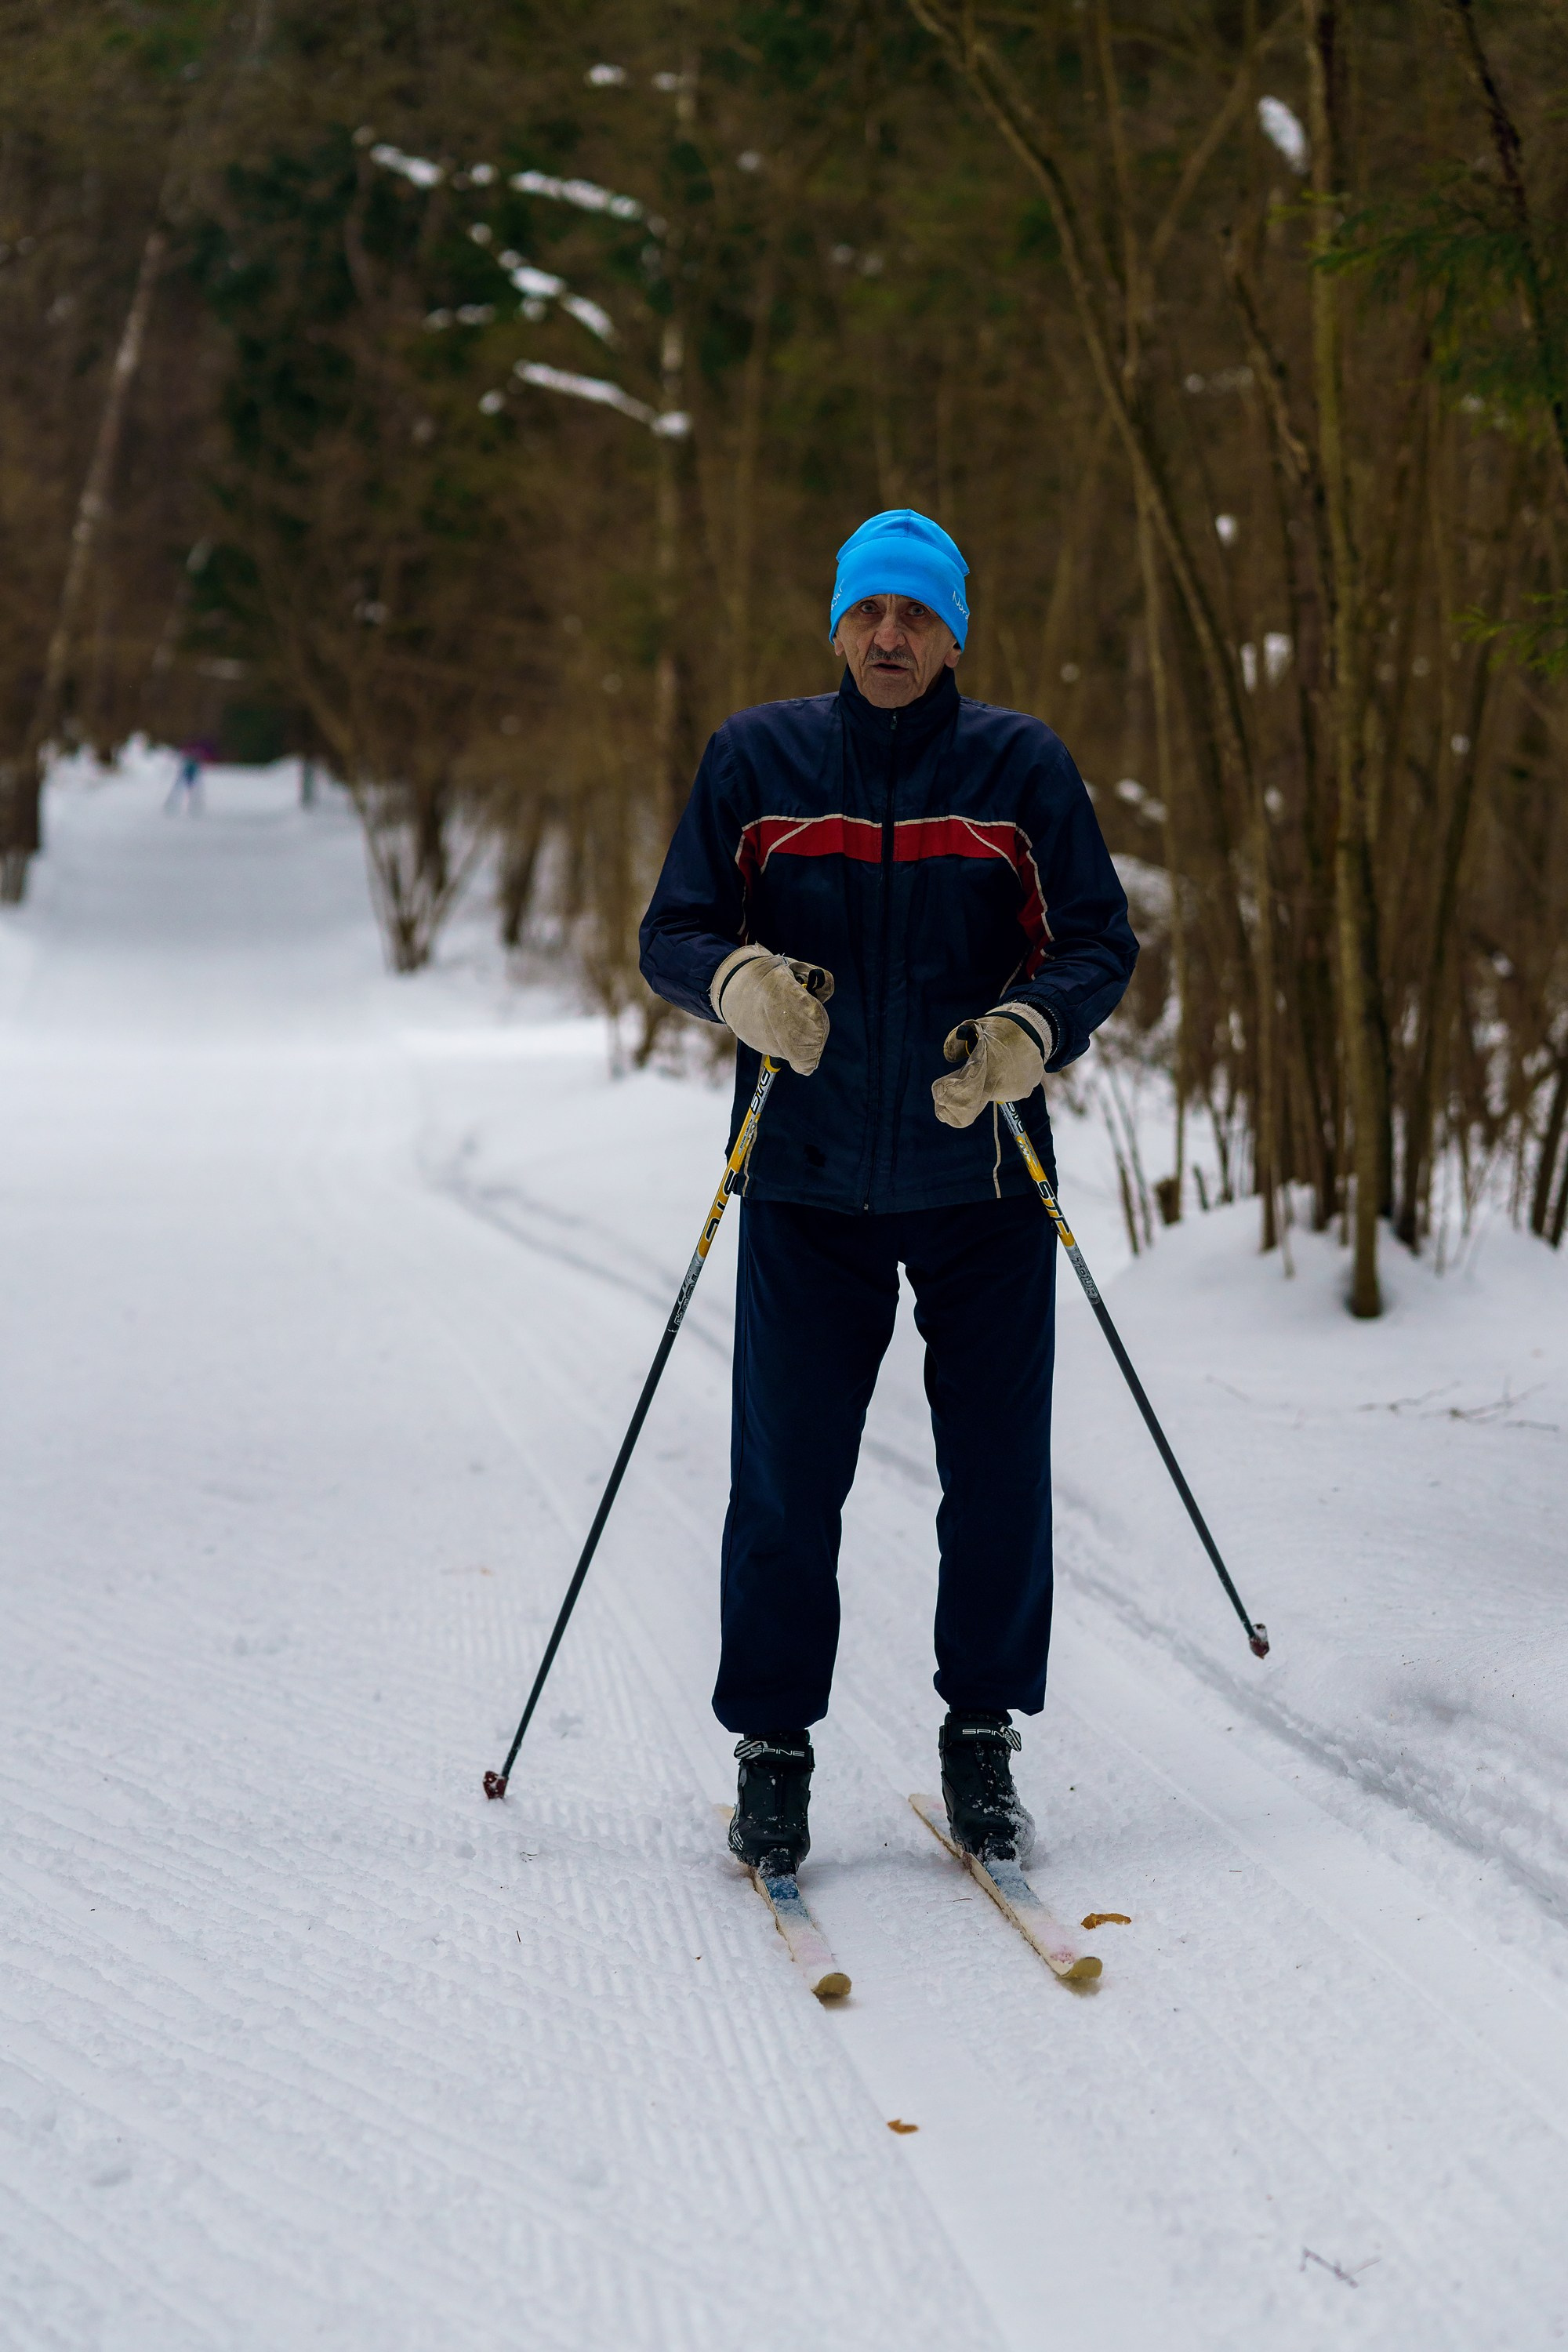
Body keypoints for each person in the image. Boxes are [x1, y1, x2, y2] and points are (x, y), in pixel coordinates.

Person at [639, 510, 1137, 1878]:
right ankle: (773, 1751)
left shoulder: (1021, 769)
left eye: (918, 615)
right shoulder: (757, 761)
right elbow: (673, 929)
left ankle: (982, 1735)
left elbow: (1097, 941)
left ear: (955, 635)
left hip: (985, 1173)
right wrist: (736, 982)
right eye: (870, 612)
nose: (892, 636)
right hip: (802, 1177)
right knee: (786, 1481)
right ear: (838, 627)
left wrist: (1032, 1026)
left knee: (997, 1476)